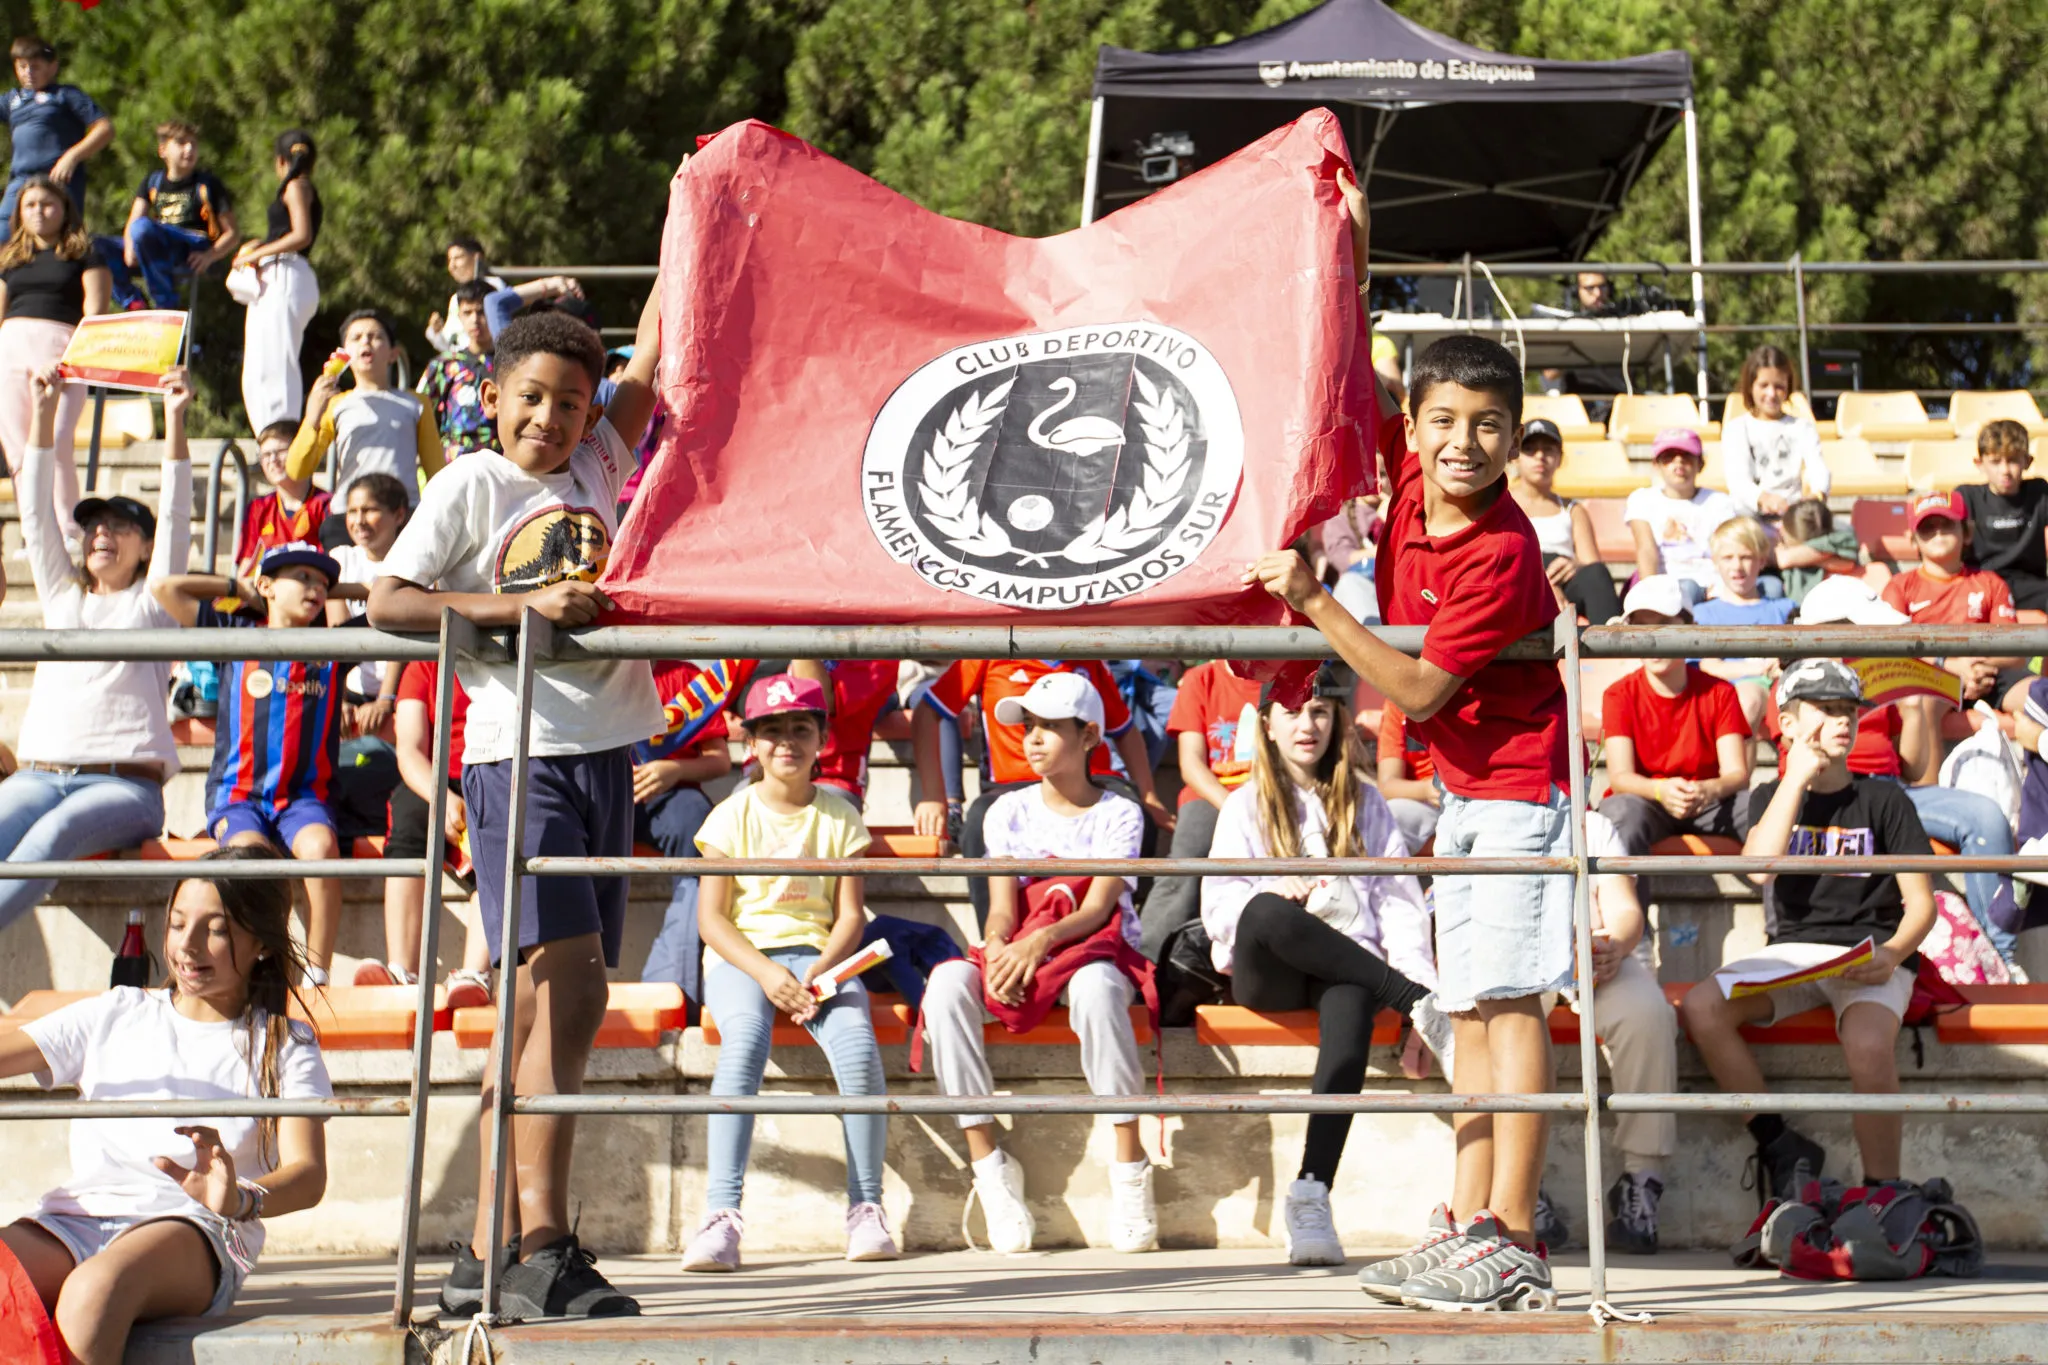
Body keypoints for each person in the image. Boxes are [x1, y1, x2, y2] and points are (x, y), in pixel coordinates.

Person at [1247, 195, 1571, 1309]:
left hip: (1520, 791)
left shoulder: (1500, 554)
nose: (1461, 443)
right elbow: (1360, 357)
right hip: (1465, 788)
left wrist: (1312, 600)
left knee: (1508, 1001)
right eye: (1443, 421)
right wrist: (1346, 237)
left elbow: (1418, 681)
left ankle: (1515, 1234)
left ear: (1516, 432)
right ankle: (1468, 1219)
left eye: (1488, 424)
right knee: (1467, 1008)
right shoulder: (1411, 470)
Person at [368, 304, 664, 1320]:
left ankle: (490, 1244)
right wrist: (515, 608)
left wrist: (690, 196)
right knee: (563, 1000)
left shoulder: (596, 466)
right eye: (530, 397)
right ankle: (541, 1244)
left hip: (604, 753)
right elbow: (390, 600)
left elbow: (654, 344)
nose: (550, 417)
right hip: (519, 755)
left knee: (548, 1013)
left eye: (571, 403)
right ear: (490, 397)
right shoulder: (470, 483)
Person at [0, 847, 331, 1364]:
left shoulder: (286, 1041)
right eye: (178, 924)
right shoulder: (118, 1010)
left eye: (216, 929)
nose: (188, 945)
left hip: (195, 1229)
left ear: (262, 943)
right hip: (76, 1218)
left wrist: (239, 1199)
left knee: (95, 1292)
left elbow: (309, 1176)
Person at [1201, 664, 1439, 1265]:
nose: (1306, 724)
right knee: (1265, 908)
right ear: (1266, 723)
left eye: (1319, 712)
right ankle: (1412, 999)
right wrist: (1285, 893)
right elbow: (1220, 910)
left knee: (1355, 999)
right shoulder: (1243, 805)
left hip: (1346, 969)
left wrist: (1422, 973)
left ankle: (1312, 1193)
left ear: (1336, 721)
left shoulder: (1367, 802)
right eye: (1291, 711)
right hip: (1268, 971)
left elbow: (1401, 906)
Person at [919, 672, 1158, 1256]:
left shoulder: (1120, 812)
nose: (1032, 738)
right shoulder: (1005, 811)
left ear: (1090, 735)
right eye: (1028, 727)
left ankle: (1129, 1168)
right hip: (1030, 946)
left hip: (1091, 951)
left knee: (1100, 990)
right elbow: (1001, 909)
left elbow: (1100, 907)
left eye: (1050, 727)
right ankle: (989, 1166)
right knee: (948, 982)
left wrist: (1039, 941)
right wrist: (1000, 944)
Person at [1682, 660, 1936, 1201]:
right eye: (1826, 710)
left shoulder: (1885, 798)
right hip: (1796, 954)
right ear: (1789, 724)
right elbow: (1757, 868)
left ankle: (1881, 1191)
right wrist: (1796, 778)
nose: (1843, 722)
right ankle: (1777, 1141)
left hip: (1870, 954)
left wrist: (1892, 954)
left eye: (1850, 712)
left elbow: (1921, 905)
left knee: (1868, 1046)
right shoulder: (1769, 796)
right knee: (1702, 1007)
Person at [679, 675, 895, 1272]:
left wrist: (820, 973)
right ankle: (721, 1217)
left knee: (856, 1048)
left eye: (801, 728)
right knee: (744, 1039)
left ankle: (867, 1208)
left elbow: (850, 915)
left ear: (823, 738)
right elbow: (713, 921)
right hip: (743, 958)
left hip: (820, 956)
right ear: (750, 742)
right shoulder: (731, 815)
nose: (786, 743)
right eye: (771, 730)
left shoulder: (840, 813)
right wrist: (768, 974)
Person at [0, 366, 190, 935]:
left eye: (119, 525)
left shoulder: (155, 603)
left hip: (121, 785)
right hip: (38, 775)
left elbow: (178, 517)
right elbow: (34, 514)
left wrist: (176, 418)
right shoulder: (63, 598)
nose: (102, 533)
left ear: (146, 546)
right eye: (94, 525)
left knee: (51, 840)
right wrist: (44, 411)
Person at [1793, 575, 2019, 963]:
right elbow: (1802, 763)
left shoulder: (1880, 669)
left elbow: (1913, 769)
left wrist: (1912, 710)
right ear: (1832, 632)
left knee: (1985, 816)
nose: (1875, 639)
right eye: (1865, 631)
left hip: (1893, 791)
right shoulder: (1797, 683)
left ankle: (2001, 957)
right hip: (1838, 795)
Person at [152, 542, 349, 983]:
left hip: (302, 800)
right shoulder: (235, 628)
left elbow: (387, 608)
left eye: (323, 582)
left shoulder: (338, 645)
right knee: (251, 858)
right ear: (266, 586)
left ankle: (317, 973)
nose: (314, 587)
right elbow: (165, 589)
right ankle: (268, 967)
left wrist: (343, 590)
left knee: (321, 850)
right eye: (301, 577)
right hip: (238, 797)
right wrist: (237, 587)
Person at [912, 656, 1170, 927]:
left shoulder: (1087, 658)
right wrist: (933, 795)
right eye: (1027, 726)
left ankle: (1119, 932)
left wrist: (1150, 796)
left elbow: (1124, 729)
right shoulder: (988, 649)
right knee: (977, 823)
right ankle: (995, 943)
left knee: (1139, 814)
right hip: (1010, 784)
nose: (1033, 735)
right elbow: (929, 710)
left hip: (1093, 778)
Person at [1571, 809, 1679, 1255]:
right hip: (1522, 961)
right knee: (1509, 1020)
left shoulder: (1593, 824)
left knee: (1649, 1014)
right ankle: (1523, 1188)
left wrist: (1614, 946)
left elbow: (1625, 907)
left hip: (1592, 955)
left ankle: (1642, 1180)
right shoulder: (1492, 813)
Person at [354, 659, 493, 1005]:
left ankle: (476, 973)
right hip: (435, 780)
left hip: (495, 775)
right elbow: (410, 751)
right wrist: (442, 798)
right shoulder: (425, 667)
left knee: (494, 834)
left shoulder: (508, 660)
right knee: (408, 815)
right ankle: (402, 969)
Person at [1596, 576, 1754, 855]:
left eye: (1664, 626)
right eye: (1641, 628)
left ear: (1690, 629)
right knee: (1620, 814)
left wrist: (1707, 790)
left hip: (1709, 801)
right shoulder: (1618, 695)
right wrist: (1661, 791)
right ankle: (1623, 899)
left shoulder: (1720, 692)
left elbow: (1737, 774)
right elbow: (1621, 777)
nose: (1652, 640)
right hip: (1647, 802)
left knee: (1763, 809)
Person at [0, 173, 109, 542]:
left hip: (63, 349)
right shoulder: (11, 258)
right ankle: (35, 532)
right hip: (11, 349)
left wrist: (75, 356)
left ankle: (67, 529)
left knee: (57, 442)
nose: (39, 212)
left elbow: (94, 312)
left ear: (64, 209)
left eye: (47, 204)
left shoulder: (85, 254)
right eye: (29, 205)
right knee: (18, 448)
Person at [632, 658, 735, 1011]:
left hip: (673, 799)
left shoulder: (684, 676)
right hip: (601, 801)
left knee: (696, 820)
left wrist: (674, 770)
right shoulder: (589, 672)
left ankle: (680, 983)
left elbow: (720, 761)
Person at [1141, 658, 1261, 956]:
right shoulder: (1202, 678)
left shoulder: (1289, 676)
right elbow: (1191, 764)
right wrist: (1233, 807)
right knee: (1187, 862)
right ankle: (1147, 960)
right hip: (1211, 793)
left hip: (1270, 792)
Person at [288, 309, 444, 517]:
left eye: (376, 336)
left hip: (403, 515)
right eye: (356, 337)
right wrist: (312, 419)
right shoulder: (334, 404)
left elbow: (437, 471)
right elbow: (297, 470)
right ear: (344, 352)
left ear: (393, 353)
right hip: (349, 514)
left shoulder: (416, 403)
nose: (366, 342)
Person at [1882, 490, 2024, 706]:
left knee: (2038, 695)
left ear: (1967, 533)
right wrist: (1950, 665)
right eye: (1927, 527)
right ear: (1913, 540)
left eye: (1947, 524)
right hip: (1929, 674)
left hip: (1986, 673)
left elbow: (2015, 652)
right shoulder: (1899, 587)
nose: (1938, 533)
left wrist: (1973, 666)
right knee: (1919, 702)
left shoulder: (1991, 582)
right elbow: (1891, 649)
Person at [96, 119, 238, 311]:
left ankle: (165, 304)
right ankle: (133, 302)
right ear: (163, 151)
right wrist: (130, 246)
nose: (189, 149)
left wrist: (210, 256)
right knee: (95, 246)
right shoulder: (152, 182)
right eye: (181, 143)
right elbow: (134, 219)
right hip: (156, 242)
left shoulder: (207, 184)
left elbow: (232, 234)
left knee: (142, 228)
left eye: (193, 144)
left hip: (191, 245)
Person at [235, 130, 321, 433]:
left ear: (280, 161)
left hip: (285, 273)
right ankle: (269, 437)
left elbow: (301, 235)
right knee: (262, 364)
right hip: (283, 274)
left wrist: (254, 254)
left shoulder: (296, 186)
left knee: (275, 365)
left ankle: (281, 439)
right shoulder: (301, 186)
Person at [1508, 417, 1623, 623]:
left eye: (1548, 450)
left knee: (1596, 575)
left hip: (1563, 580)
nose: (1540, 456)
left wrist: (1574, 565)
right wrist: (1543, 582)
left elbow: (1591, 562)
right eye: (1531, 449)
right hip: (1519, 578)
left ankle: (1613, 647)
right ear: (1516, 455)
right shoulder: (1503, 502)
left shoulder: (1572, 509)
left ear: (1560, 458)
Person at [1693, 515, 1797, 728]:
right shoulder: (1704, 615)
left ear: (1761, 561)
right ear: (1715, 562)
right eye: (1728, 557)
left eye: (1746, 557)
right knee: (1746, 700)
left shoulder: (1783, 610)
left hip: (1775, 692)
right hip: (1725, 695)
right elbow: (1709, 667)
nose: (1737, 566)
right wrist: (1758, 668)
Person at [1, 36, 110, 234]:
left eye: (35, 67)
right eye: (22, 66)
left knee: (62, 239)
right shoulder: (12, 99)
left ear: (52, 67)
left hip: (58, 178)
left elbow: (104, 128)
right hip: (21, 178)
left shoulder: (65, 95)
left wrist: (72, 156)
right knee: (3, 234)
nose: (28, 73)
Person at [1625, 428, 1740, 606]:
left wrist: (1722, 586)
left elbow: (1727, 549)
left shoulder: (1720, 502)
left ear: (1700, 463)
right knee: (1687, 588)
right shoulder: (1642, 500)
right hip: (1668, 586)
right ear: (1656, 464)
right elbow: (1646, 549)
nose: (1678, 463)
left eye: (1687, 456)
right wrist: (1652, 594)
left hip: (1713, 585)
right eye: (1669, 457)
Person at [1720, 345, 1828, 518]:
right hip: (1751, 517)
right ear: (1750, 386)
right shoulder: (1736, 429)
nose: (1771, 394)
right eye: (1763, 385)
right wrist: (1764, 499)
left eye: (1779, 386)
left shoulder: (1802, 427)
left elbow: (1818, 468)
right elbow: (1738, 481)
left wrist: (1817, 494)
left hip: (1794, 515)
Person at [1958, 419, 2048, 611]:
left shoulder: (2040, 493)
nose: (2005, 470)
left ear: (2027, 461)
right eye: (1996, 462)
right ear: (1980, 464)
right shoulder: (1967, 496)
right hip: (1979, 583)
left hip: (2030, 585)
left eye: (2013, 460)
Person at [236, 420, 330, 579]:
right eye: (265, 454)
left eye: (281, 451)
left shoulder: (325, 505)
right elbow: (247, 566)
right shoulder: (258, 508)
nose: (272, 459)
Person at [417, 279, 499, 459]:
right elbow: (419, 412)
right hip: (455, 458)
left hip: (500, 459)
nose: (475, 320)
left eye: (481, 312)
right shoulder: (445, 364)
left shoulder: (510, 361)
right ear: (459, 316)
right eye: (467, 313)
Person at [1375, 701, 1441, 854]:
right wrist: (1427, 790)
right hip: (1426, 806)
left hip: (1477, 801)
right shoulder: (1396, 704)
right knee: (1387, 817)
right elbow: (1387, 785)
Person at [425, 235, 505, 353]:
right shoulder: (455, 298)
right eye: (449, 260)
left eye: (458, 258)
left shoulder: (494, 287)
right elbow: (449, 348)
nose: (452, 266)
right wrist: (436, 333)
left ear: (477, 258)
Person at [1774, 498, 1860, 606]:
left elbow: (1784, 558)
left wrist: (1800, 558)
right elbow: (1783, 559)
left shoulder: (1842, 538)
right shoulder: (1776, 536)